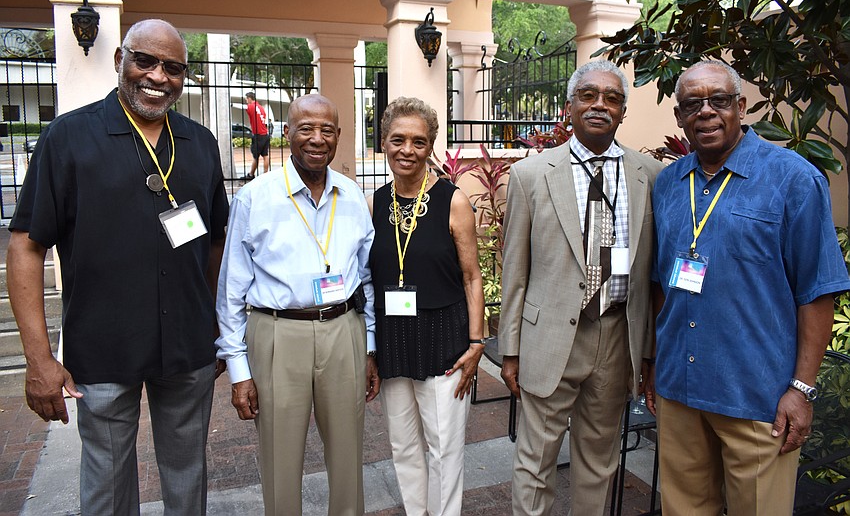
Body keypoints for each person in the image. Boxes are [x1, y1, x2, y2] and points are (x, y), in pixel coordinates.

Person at [6, 19, 229, 515]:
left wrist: (215, 324)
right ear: (119, 61)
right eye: (144, 60)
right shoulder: (68, 137)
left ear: (184, 76)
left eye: (173, 67)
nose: (157, 76)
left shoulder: (200, 143)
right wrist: (39, 360)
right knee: (106, 484)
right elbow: (25, 245)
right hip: (103, 346)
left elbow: (215, 242)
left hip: (188, 347)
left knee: (188, 475)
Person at [649, 59, 850, 515]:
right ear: (679, 116)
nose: (706, 112)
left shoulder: (793, 179)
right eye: (692, 104)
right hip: (680, 390)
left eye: (719, 101)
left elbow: (818, 291)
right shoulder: (668, 184)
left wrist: (802, 389)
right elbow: (662, 281)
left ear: (740, 106)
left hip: (758, 398)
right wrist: (657, 363)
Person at [499, 59, 664, 515]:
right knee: (536, 461)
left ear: (623, 112)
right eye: (589, 95)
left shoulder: (649, 175)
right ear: (569, 106)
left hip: (616, 337)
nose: (600, 105)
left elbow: (651, 271)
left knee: (600, 461)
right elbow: (514, 269)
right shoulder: (530, 174)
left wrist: (646, 351)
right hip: (549, 337)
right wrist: (509, 349)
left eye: (612, 98)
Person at [216, 93, 379, 516]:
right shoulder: (254, 198)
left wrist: (371, 346)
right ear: (287, 133)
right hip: (276, 334)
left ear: (339, 136)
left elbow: (366, 277)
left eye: (327, 130)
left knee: (347, 455)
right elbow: (231, 290)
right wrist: (238, 369)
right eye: (305, 128)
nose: (317, 139)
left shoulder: (353, 196)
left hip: (343, 330)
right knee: (279, 458)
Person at [367, 97, 485, 515]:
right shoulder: (375, 203)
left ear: (430, 146)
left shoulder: (453, 200)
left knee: (444, 450)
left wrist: (476, 343)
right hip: (394, 340)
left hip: (445, 340)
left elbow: (473, 276)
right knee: (403, 446)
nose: (407, 150)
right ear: (383, 142)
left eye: (419, 141)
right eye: (398, 139)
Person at [241, 90, 271, 180]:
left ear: (250, 99)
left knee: (255, 156)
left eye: (246, 99)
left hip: (258, 135)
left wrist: (232, 105)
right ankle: (266, 174)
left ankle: (251, 174)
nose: (246, 101)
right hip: (265, 134)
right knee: (265, 155)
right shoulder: (261, 108)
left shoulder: (251, 107)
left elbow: (243, 107)